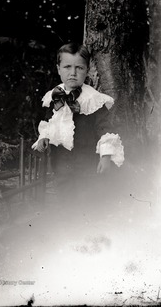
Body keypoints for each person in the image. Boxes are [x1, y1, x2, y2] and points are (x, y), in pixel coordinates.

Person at [32, 42, 124, 212]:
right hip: (61, 161)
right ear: (58, 69)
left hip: (86, 162)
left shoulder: (94, 100)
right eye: (67, 67)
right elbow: (49, 122)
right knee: (65, 198)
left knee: (87, 201)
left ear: (87, 70)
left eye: (79, 68)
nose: (73, 73)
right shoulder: (54, 96)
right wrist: (44, 137)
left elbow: (105, 129)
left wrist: (106, 156)